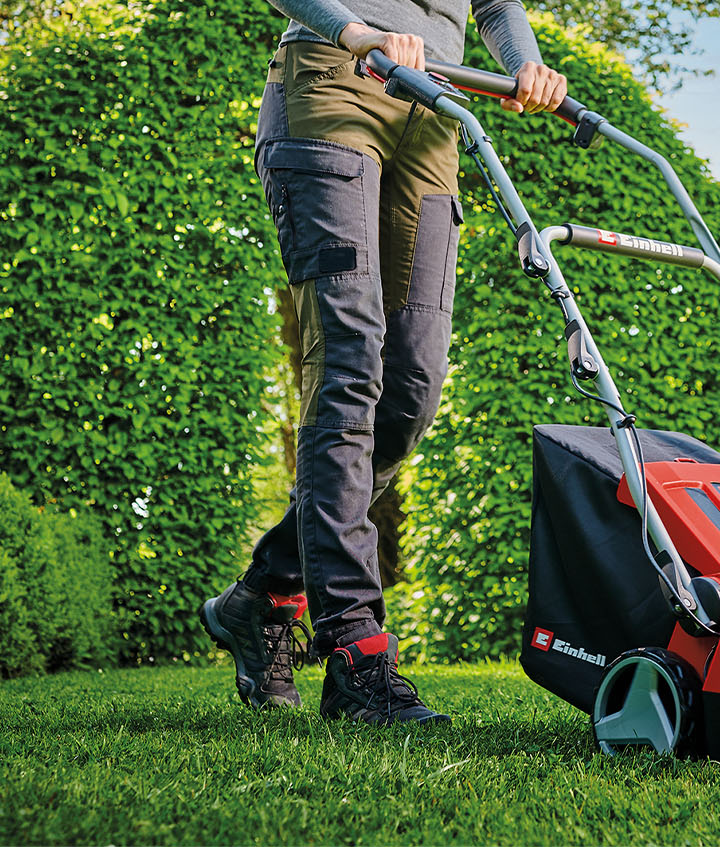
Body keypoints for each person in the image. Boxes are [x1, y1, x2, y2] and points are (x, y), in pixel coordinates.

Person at [200, 0, 566, 725]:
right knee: (347, 360)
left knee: (411, 389)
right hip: (334, 83)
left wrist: (522, 61)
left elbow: (493, 4)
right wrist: (355, 30)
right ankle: (354, 649)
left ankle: (266, 591)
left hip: (437, 110)